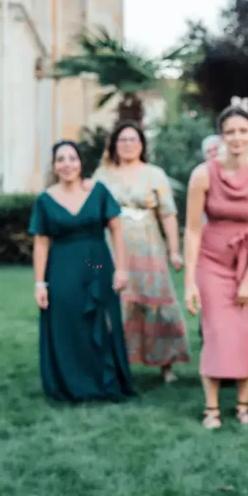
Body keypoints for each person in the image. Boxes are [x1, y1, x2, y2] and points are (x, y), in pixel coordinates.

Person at [183, 106, 248, 429]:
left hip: (247, 261)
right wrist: (189, 282)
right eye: (230, 132)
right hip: (211, 261)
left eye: (242, 131)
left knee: (243, 333)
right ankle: (211, 409)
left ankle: (242, 405)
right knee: (216, 331)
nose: (237, 138)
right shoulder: (202, 174)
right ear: (221, 136)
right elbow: (193, 229)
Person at [29, 141, 135, 402]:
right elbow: (41, 243)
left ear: (80, 163)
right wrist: (40, 283)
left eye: (72, 158)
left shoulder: (98, 192)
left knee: (101, 318)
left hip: (95, 262)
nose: (67, 164)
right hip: (62, 266)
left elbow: (117, 229)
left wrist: (121, 268)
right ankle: (72, 383)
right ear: (54, 166)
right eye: (61, 159)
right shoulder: (45, 200)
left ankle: (106, 381)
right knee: (67, 322)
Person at [93, 121, 190, 384]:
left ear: (142, 144)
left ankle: (166, 364)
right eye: (122, 140)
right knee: (114, 301)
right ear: (114, 144)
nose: (127, 145)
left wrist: (174, 250)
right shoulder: (102, 175)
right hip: (112, 245)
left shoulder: (154, 174)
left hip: (148, 245)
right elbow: (90, 213)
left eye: (133, 140)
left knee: (156, 298)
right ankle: (112, 362)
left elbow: (168, 213)